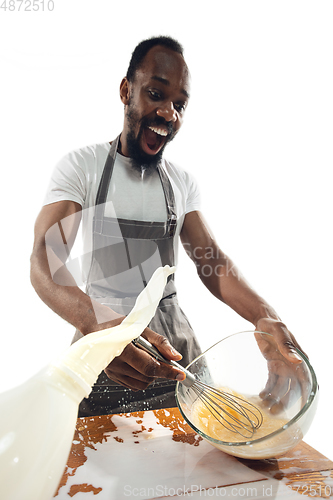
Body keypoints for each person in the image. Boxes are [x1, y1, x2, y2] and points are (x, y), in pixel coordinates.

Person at [30, 36, 305, 417]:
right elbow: (46, 260)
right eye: (156, 94)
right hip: (105, 350)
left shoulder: (181, 183)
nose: (169, 113)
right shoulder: (83, 167)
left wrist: (266, 318)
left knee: (204, 460)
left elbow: (212, 261)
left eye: (179, 104)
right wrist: (103, 331)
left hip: (179, 357)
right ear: (127, 91)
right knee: (98, 467)